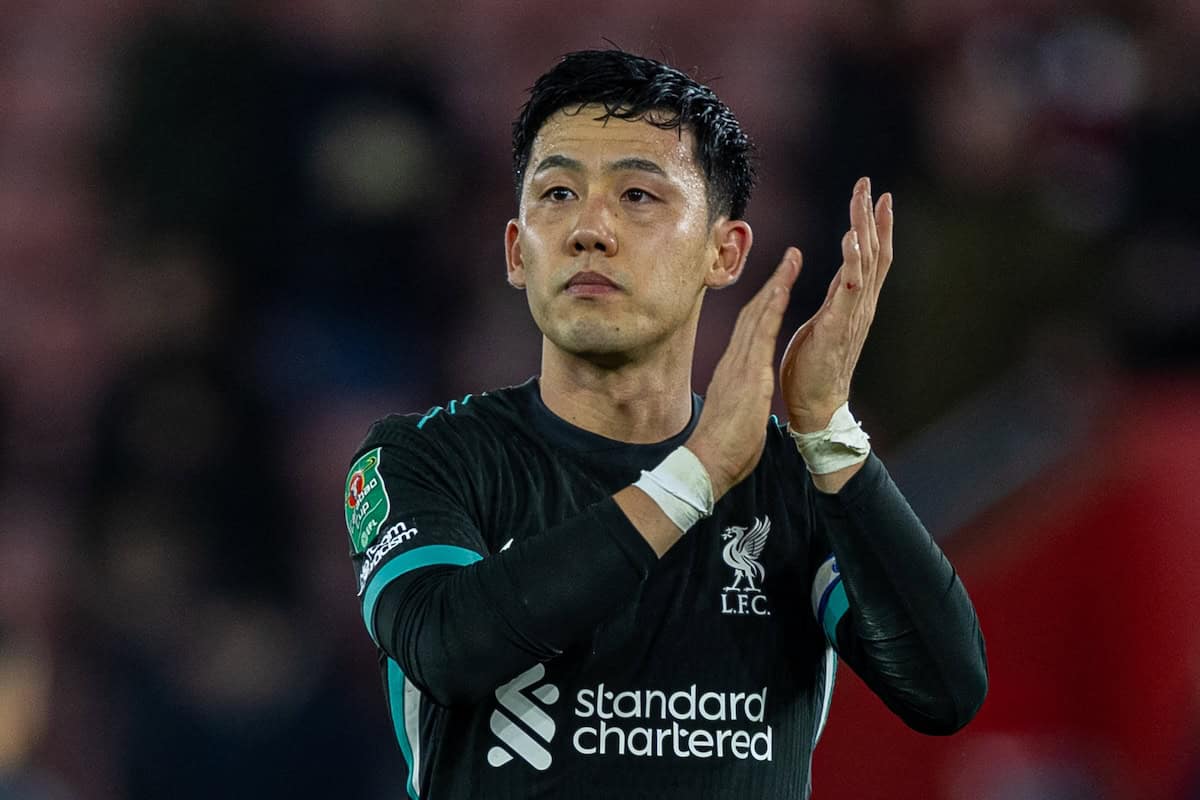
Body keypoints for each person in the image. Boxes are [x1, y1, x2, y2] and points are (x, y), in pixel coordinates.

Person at [343, 49, 987, 800]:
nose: (590, 230)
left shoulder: (792, 479)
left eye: (639, 196)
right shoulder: (427, 458)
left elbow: (944, 693)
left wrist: (827, 430)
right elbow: (447, 647)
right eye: (556, 193)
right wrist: (697, 475)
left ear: (725, 250)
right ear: (518, 252)